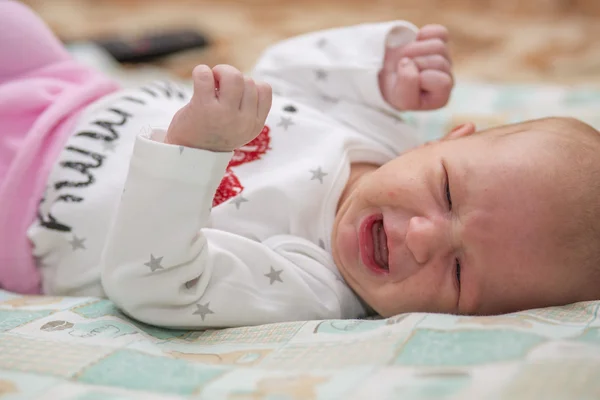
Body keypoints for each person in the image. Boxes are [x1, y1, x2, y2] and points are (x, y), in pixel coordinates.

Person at [2, 1, 600, 329]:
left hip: (21, 210)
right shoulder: (378, 127)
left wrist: (197, 154)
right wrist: (377, 67)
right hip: (68, 90)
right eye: (446, 190)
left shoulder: (309, 285)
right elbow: (282, 71)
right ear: (447, 139)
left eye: (461, 275)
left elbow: (150, 282)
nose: (420, 236)